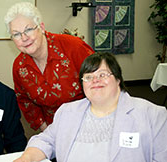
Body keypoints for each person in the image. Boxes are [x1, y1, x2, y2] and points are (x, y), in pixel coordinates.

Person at [14, 52, 167, 162]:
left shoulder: (152, 115)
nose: (95, 80)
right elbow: (46, 140)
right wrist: (27, 158)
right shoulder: (68, 111)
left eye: (102, 75)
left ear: (118, 79)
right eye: (88, 77)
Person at [4, 2, 94, 131]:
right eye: (16, 34)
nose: (24, 38)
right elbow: (25, 101)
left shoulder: (73, 47)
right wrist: (45, 129)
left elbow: (102, 82)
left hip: (89, 122)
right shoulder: (19, 67)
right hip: (54, 128)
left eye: (28, 30)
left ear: (41, 27)